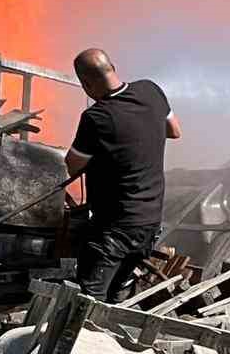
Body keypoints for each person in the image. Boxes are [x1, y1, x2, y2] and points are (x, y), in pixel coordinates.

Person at [64, 47, 181, 302]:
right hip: (149, 225)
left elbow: (73, 165)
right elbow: (174, 130)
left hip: (115, 231)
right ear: (113, 68)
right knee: (118, 298)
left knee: (87, 302)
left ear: (86, 83)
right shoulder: (151, 90)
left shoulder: (96, 117)